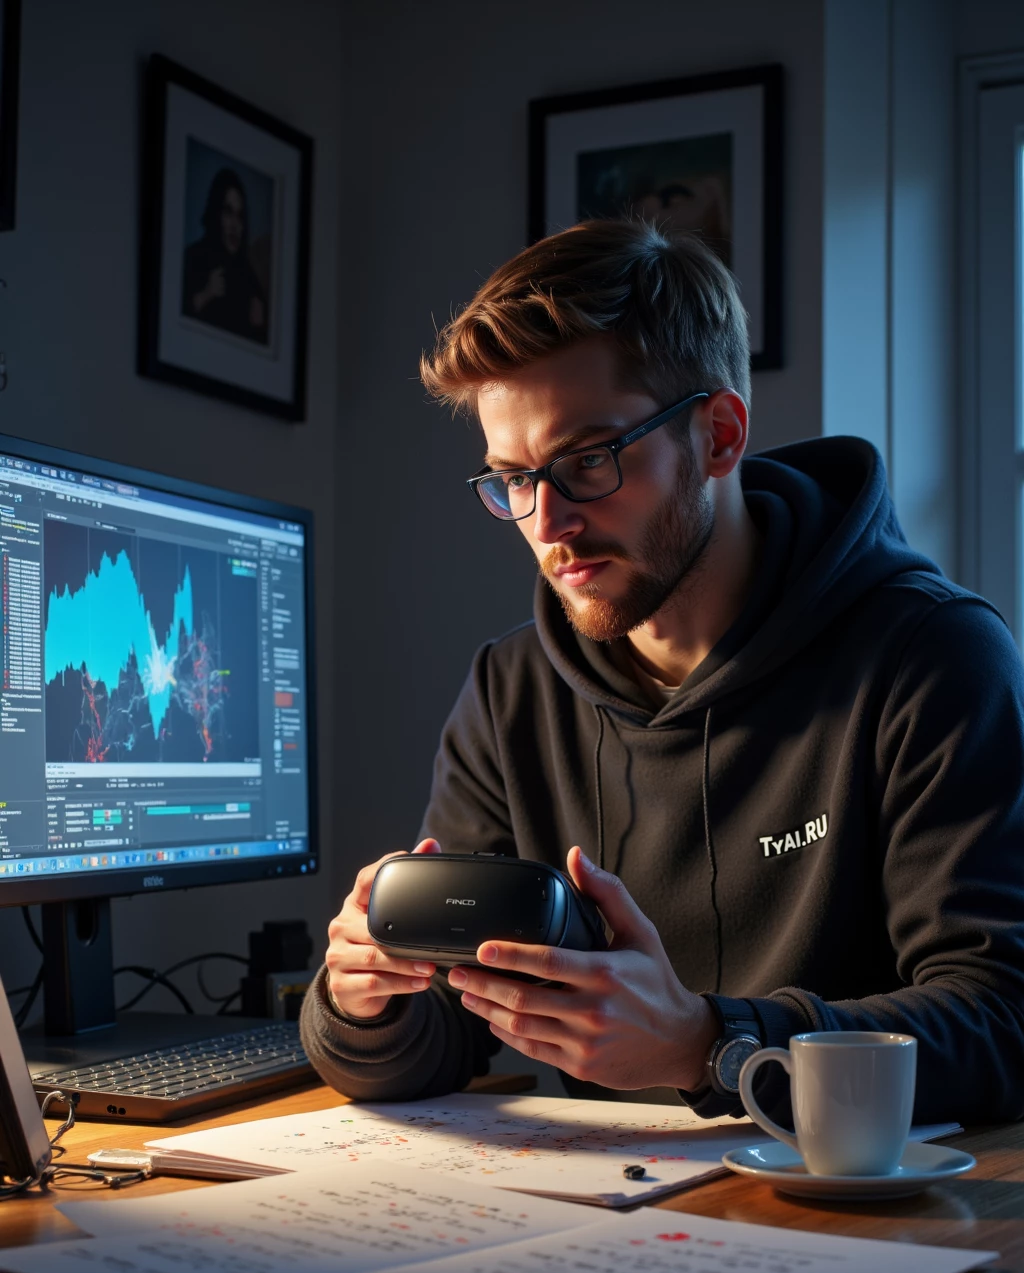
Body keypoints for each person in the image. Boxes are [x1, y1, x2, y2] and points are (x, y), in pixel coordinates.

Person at [300, 218, 1024, 1124]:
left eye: (589, 460)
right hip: (604, 1227)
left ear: (719, 437)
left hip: (865, 1218)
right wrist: (368, 1002)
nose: (547, 522)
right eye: (511, 479)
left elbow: (1001, 1016)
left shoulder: (932, 656)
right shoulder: (510, 693)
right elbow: (450, 1035)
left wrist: (708, 1044)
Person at [182, 166, 268, 345]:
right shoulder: (192, 258)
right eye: (228, 213)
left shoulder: (248, 276)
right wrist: (205, 295)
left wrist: (260, 324)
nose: (234, 225)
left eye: (240, 216)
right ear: (216, 214)